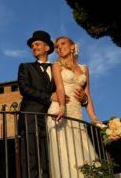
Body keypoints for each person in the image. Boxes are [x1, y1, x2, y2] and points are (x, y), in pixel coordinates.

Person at [47, 36, 101, 177]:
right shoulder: (56, 66)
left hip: (77, 114)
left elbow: (87, 94)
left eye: (63, 43)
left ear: (72, 47)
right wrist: (62, 107)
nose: (59, 47)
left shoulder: (84, 69)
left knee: (83, 153)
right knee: (66, 154)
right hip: (60, 111)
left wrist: (94, 118)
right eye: (57, 46)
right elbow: (59, 87)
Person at [17, 30, 65, 178]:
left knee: (48, 159)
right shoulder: (25, 67)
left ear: (47, 48)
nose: (34, 47)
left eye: (37, 44)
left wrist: (83, 99)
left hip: (52, 120)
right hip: (30, 117)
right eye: (32, 45)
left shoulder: (58, 68)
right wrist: (50, 97)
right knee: (31, 158)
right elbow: (25, 89)